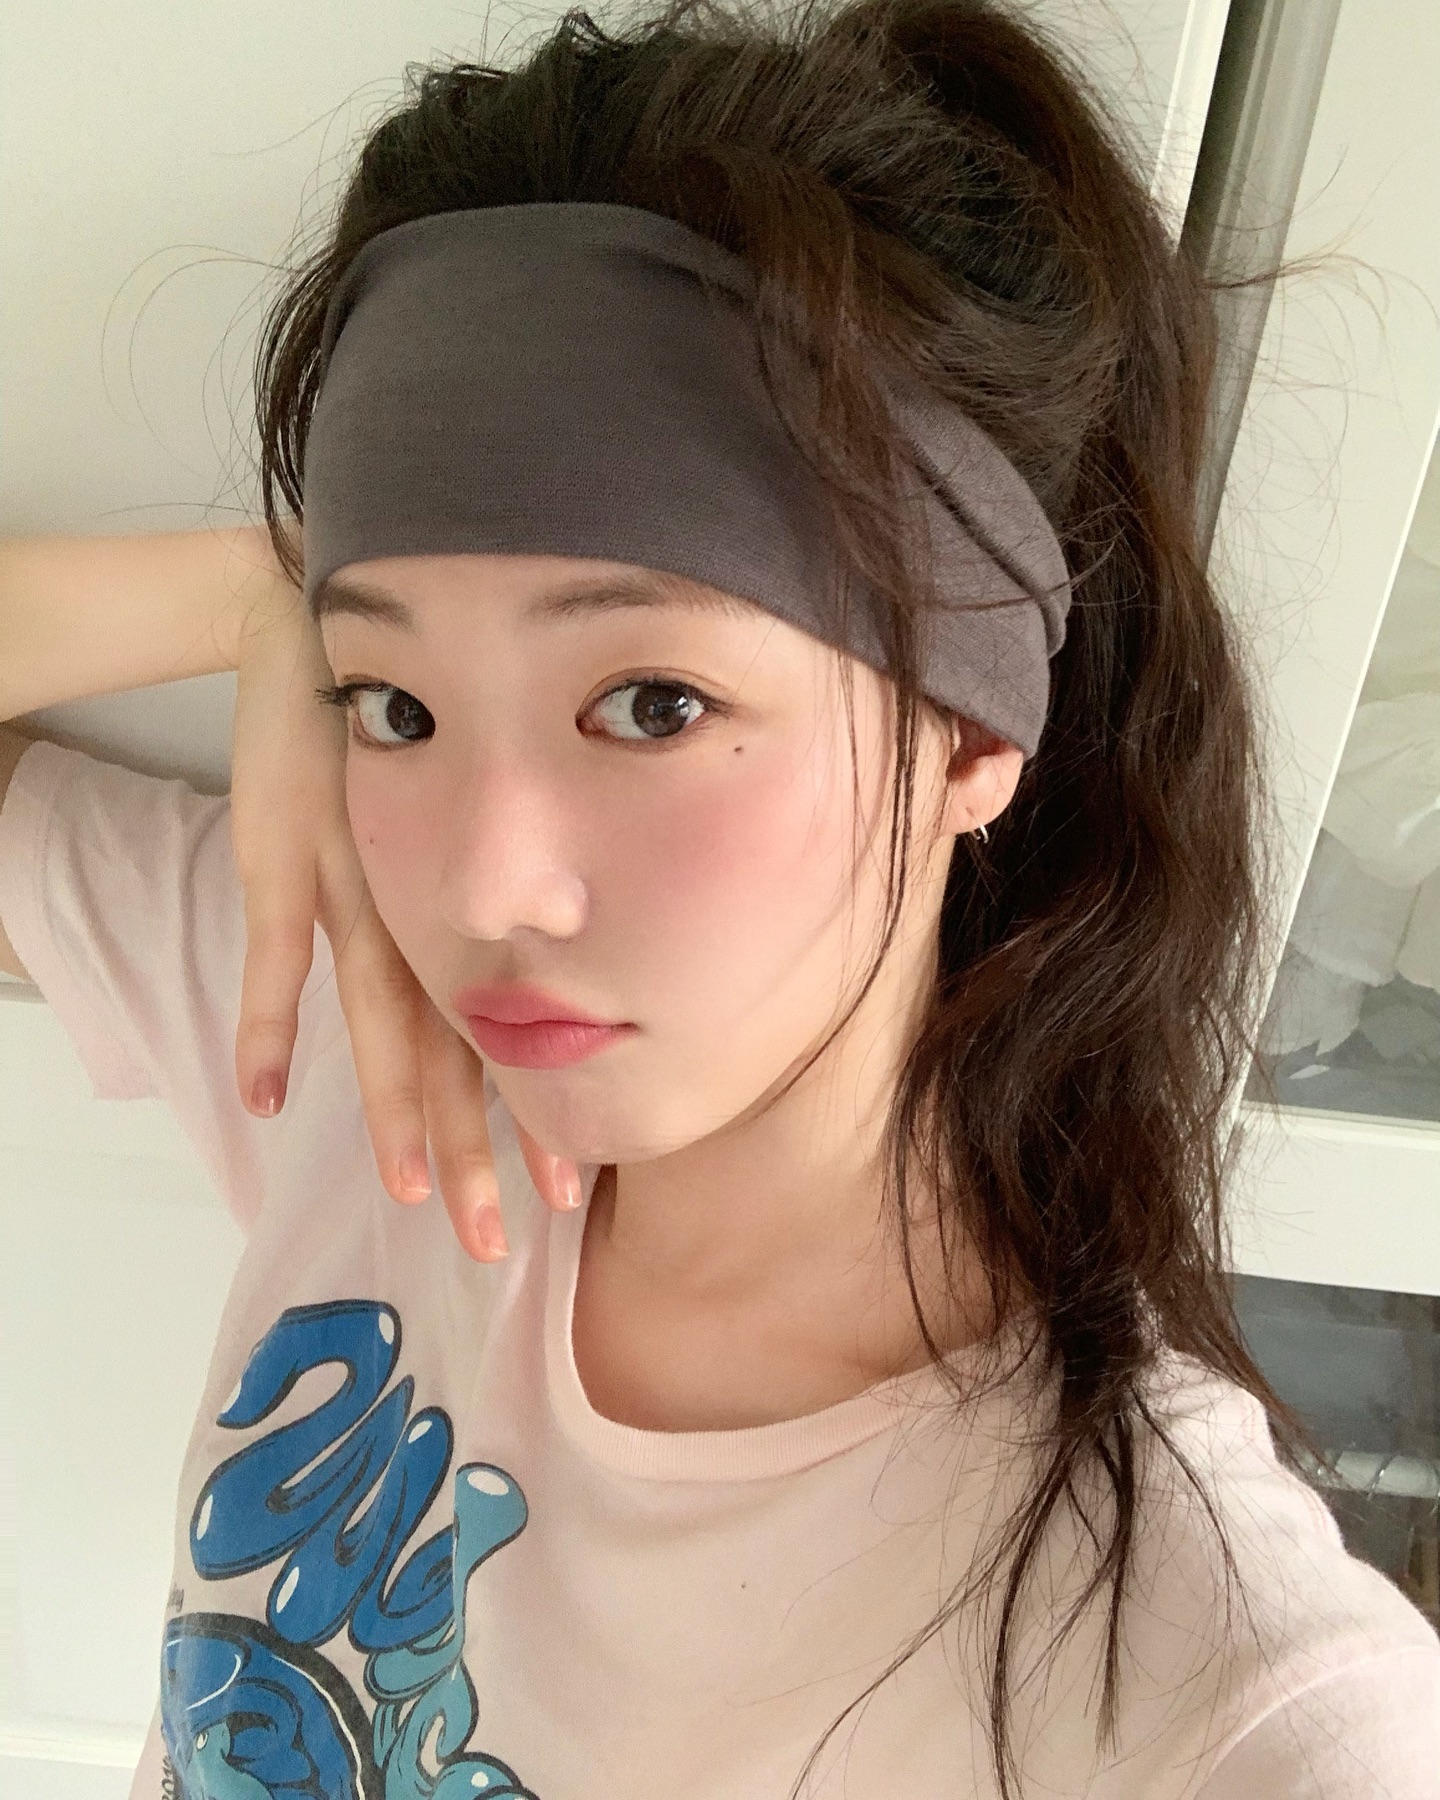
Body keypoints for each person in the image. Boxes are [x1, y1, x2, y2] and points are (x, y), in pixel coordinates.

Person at [1, 0, 1437, 1796]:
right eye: (398, 709)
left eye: (654, 705)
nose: (486, 887)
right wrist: (256, 604)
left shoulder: (1200, 1681)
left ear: (975, 732)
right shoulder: (361, 1042)